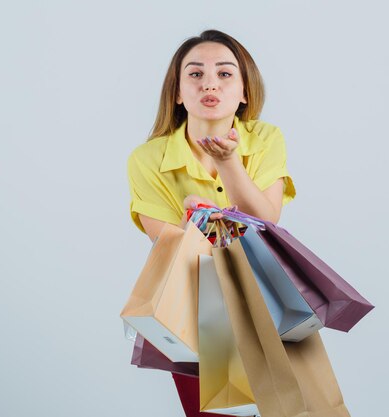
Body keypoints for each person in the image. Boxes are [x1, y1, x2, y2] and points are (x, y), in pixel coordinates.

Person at [126, 29, 296, 416]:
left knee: (284, 407)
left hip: (266, 299)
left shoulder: (266, 138)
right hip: (191, 308)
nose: (209, 84)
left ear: (244, 92)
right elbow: (168, 246)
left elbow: (267, 221)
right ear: (177, 93)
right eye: (195, 74)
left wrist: (228, 162)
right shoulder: (146, 159)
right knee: (212, 412)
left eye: (224, 74)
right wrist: (193, 218)